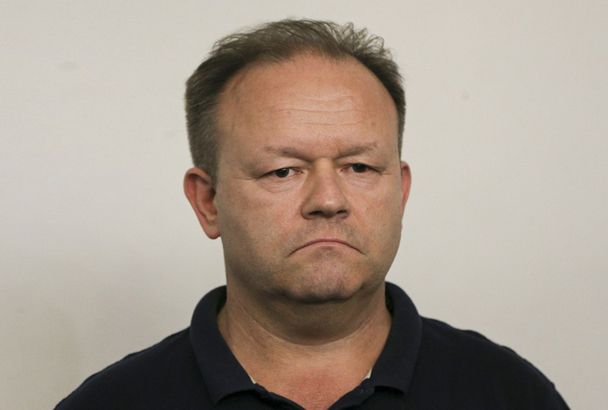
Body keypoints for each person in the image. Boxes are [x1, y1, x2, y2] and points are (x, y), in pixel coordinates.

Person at [55, 19, 569, 410]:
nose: (328, 199)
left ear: (401, 191)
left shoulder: (510, 395)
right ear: (207, 202)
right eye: (283, 171)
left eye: (359, 167)